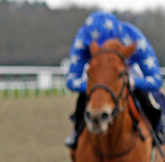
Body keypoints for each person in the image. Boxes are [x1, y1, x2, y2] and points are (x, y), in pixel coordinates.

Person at [64, 10, 164, 148]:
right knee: (85, 97)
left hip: (127, 71)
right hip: (99, 75)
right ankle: (77, 130)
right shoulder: (82, 40)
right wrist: (96, 85)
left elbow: (157, 80)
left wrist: (133, 82)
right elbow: (71, 80)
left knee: (146, 100)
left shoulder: (134, 38)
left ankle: (157, 130)